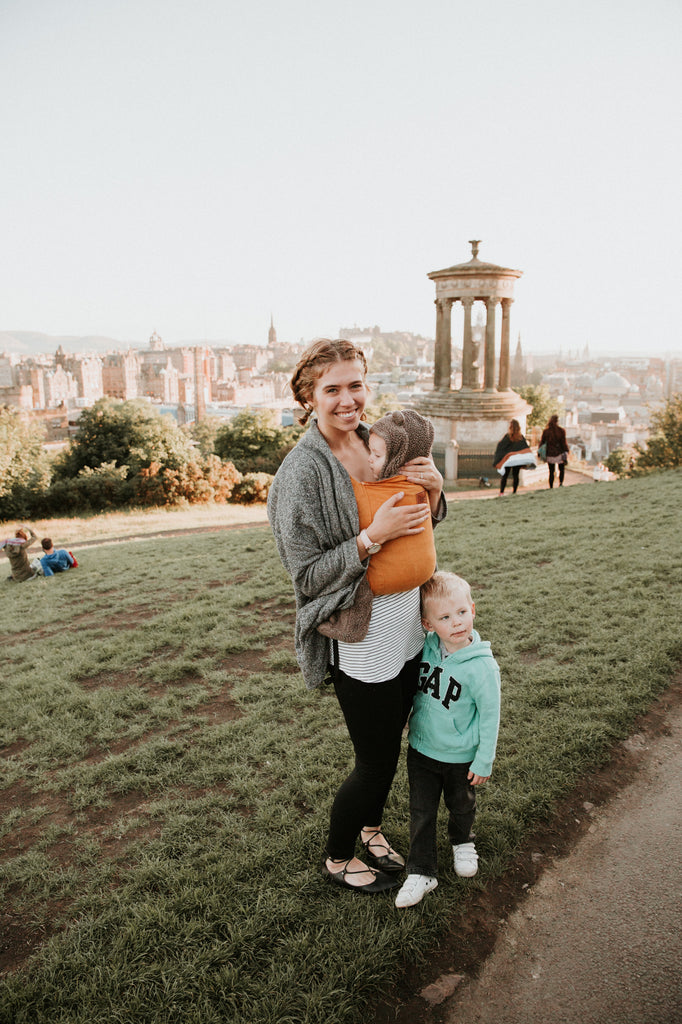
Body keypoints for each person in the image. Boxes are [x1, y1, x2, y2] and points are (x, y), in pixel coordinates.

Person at [268, 339, 447, 894]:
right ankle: (338, 856)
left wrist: (437, 493)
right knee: (374, 763)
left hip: (407, 626)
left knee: (394, 743)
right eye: (332, 389)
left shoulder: (379, 443)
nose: (348, 400)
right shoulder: (299, 475)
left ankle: (371, 827)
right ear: (308, 396)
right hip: (361, 634)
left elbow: (420, 523)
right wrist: (370, 538)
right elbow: (306, 577)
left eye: (355, 385)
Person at [395, 571, 501, 908]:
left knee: (461, 805)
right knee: (421, 812)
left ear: (473, 609)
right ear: (428, 624)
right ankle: (421, 870)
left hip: (460, 756)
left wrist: (484, 759)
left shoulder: (483, 667)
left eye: (461, 613)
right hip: (423, 750)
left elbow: (489, 716)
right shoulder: (425, 649)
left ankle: (462, 842)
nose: (456, 623)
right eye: (444, 617)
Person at [493, 419, 533, 495]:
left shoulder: (507, 437)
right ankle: (514, 492)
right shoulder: (520, 437)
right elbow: (525, 448)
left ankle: (502, 492)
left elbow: (501, 447)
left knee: (505, 476)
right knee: (515, 476)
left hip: (508, 459)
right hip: (517, 460)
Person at [539, 414, 570, 488]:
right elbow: (563, 443)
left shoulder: (546, 431)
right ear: (557, 421)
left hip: (549, 453)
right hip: (559, 452)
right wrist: (566, 451)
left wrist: (540, 452)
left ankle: (551, 486)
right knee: (561, 469)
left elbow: (542, 442)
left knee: (551, 471)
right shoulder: (561, 431)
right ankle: (561, 483)